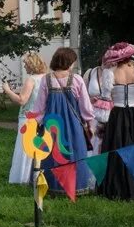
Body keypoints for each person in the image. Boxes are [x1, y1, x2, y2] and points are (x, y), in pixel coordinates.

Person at [31, 46, 96, 195]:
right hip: (73, 125)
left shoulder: (46, 79)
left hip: (51, 124)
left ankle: (52, 187)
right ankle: (75, 187)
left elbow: (39, 106)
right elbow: (85, 106)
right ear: (69, 62)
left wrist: (38, 123)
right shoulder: (77, 79)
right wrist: (89, 123)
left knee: (52, 154)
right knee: (75, 153)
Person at [99, 42, 134, 201]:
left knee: (117, 148)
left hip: (117, 116)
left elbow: (105, 98)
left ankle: (117, 187)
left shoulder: (110, 73)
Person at [3, 53, 47, 184]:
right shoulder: (46, 78)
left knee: (24, 149)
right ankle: (37, 176)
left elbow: (22, 100)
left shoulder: (31, 79)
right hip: (41, 117)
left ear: (31, 65)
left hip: (27, 117)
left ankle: (21, 178)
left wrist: (7, 90)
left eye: (26, 64)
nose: (24, 66)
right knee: (38, 148)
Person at [83, 56, 114, 155]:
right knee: (93, 141)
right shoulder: (91, 72)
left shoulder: (115, 72)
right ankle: (91, 168)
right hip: (92, 114)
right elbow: (82, 94)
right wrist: (89, 99)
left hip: (110, 113)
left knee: (107, 141)